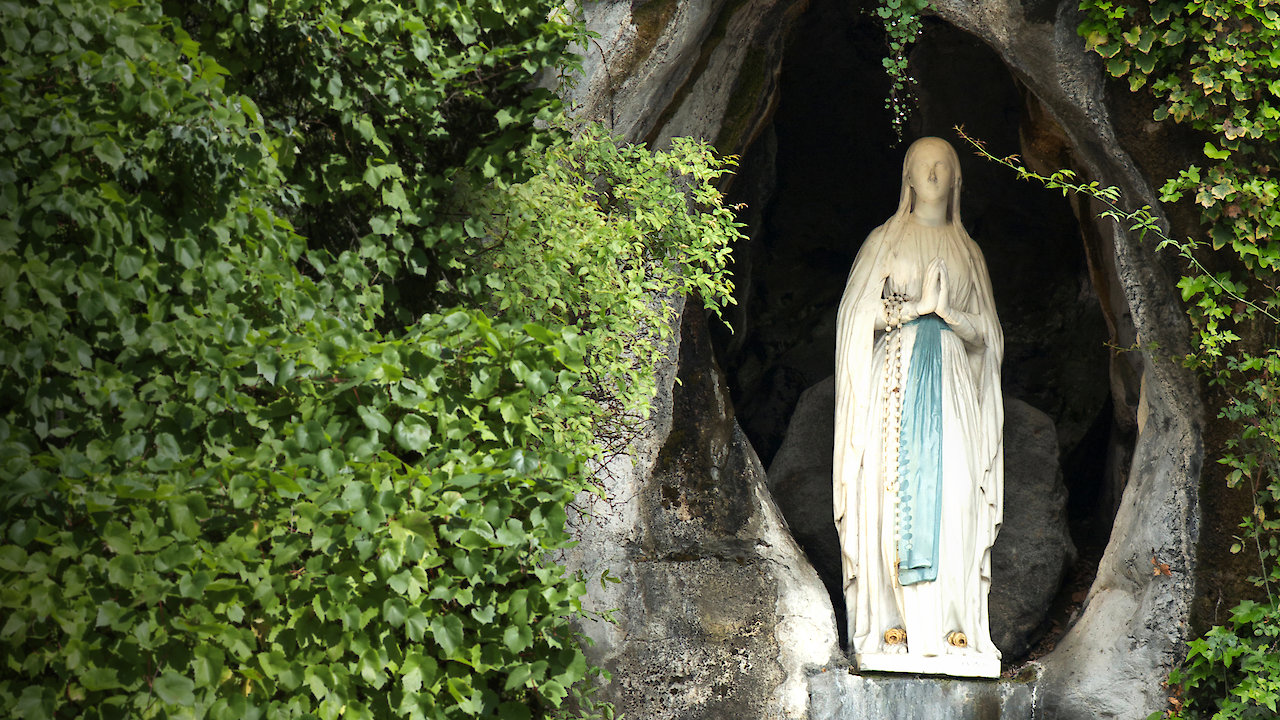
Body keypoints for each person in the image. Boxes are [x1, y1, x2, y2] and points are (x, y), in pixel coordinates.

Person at [832, 136, 1004, 677]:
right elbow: (853, 319)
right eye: (923, 166)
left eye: (942, 166)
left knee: (957, 493)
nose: (932, 175)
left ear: (957, 179)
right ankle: (893, 624)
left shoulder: (969, 253)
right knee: (890, 489)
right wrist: (911, 312)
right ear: (906, 177)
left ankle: (956, 628)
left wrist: (948, 313)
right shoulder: (884, 240)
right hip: (895, 380)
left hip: (952, 385)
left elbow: (989, 338)